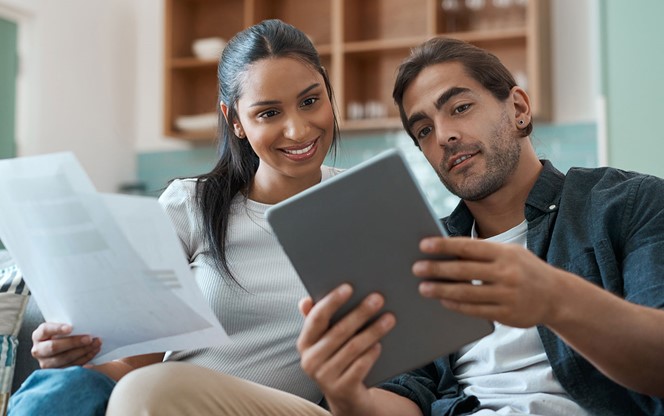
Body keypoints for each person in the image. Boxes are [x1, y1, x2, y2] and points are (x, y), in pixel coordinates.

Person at [106, 36, 664, 415]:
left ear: (518, 107)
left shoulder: (625, 204)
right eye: (422, 128)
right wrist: (346, 394)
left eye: (460, 108)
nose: (442, 135)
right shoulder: (420, 250)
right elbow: (405, 397)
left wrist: (555, 299)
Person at [8, 19, 340, 416]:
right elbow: (135, 366)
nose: (298, 129)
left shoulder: (366, 202)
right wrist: (72, 360)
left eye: (310, 101)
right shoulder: (192, 205)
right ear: (235, 120)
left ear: (327, 91)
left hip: (280, 409)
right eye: (268, 113)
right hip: (165, 402)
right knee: (66, 388)